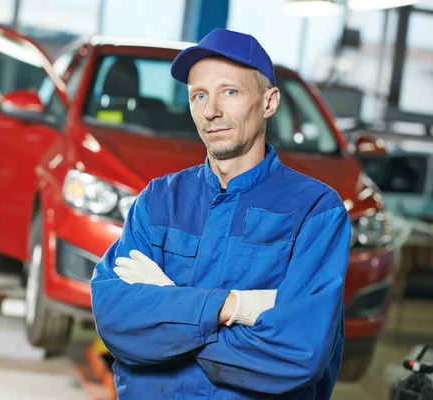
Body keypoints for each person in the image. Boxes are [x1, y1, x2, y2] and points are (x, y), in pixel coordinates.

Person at [91, 28, 351, 398]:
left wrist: (172, 309)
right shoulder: (159, 199)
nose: (211, 111)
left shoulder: (315, 211)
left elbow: (298, 353)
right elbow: (116, 318)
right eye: (199, 95)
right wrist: (233, 307)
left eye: (230, 91)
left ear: (269, 102)